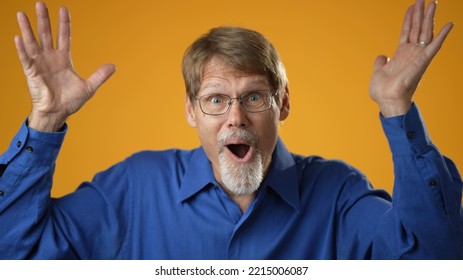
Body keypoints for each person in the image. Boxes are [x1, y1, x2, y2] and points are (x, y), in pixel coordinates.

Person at [0, 0, 461, 259]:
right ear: (191, 112)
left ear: (282, 105)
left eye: (254, 97)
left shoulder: (337, 193)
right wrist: (45, 121)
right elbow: (14, 254)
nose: (235, 117)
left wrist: (398, 109)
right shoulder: (135, 188)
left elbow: (435, 259)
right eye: (216, 100)